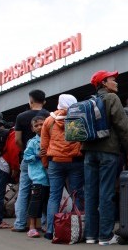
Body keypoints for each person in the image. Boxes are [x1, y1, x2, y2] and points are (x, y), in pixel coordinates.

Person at [82, 70, 128, 246]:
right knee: (106, 192)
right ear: (104, 83)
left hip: (89, 152)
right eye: (113, 80)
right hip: (108, 151)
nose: (116, 83)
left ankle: (91, 235)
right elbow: (122, 126)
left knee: (90, 193)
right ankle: (105, 236)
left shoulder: (89, 100)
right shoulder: (112, 99)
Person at [40, 94, 84, 240]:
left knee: (54, 196)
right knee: (76, 194)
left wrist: (46, 163)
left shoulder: (49, 120)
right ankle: (77, 228)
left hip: (55, 162)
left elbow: (43, 146)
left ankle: (50, 231)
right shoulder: (79, 118)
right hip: (75, 161)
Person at [12, 89, 49, 232]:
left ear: (30, 101)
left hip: (28, 160)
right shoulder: (48, 115)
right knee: (47, 191)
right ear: (44, 101)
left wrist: (26, 151)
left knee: (24, 191)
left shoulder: (21, 117)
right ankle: (46, 225)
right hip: (45, 160)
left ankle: (20, 224)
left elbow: (17, 140)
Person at [23, 116, 48, 238]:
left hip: (49, 178)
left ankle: (45, 225)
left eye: (42, 124)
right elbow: (26, 158)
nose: (39, 127)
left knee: (47, 203)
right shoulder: (32, 142)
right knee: (35, 202)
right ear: (32, 129)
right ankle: (32, 227)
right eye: (36, 125)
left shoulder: (50, 139)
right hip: (38, 177)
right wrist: (37, 156)